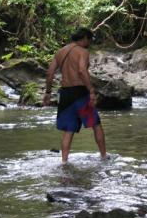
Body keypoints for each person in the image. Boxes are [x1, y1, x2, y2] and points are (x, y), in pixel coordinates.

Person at [43, 27, 107, 163]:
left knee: (68, 129)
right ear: (84, 38)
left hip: (65, 94)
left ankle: (64, 162)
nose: (89, 43)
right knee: (95, 124)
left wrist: (48, 93)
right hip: (80, 94)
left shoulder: (60, 52)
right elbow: (82, 70)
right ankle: (103, 157)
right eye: (89, 40)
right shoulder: (83, 51)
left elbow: (49, 73)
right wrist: (90, 90)